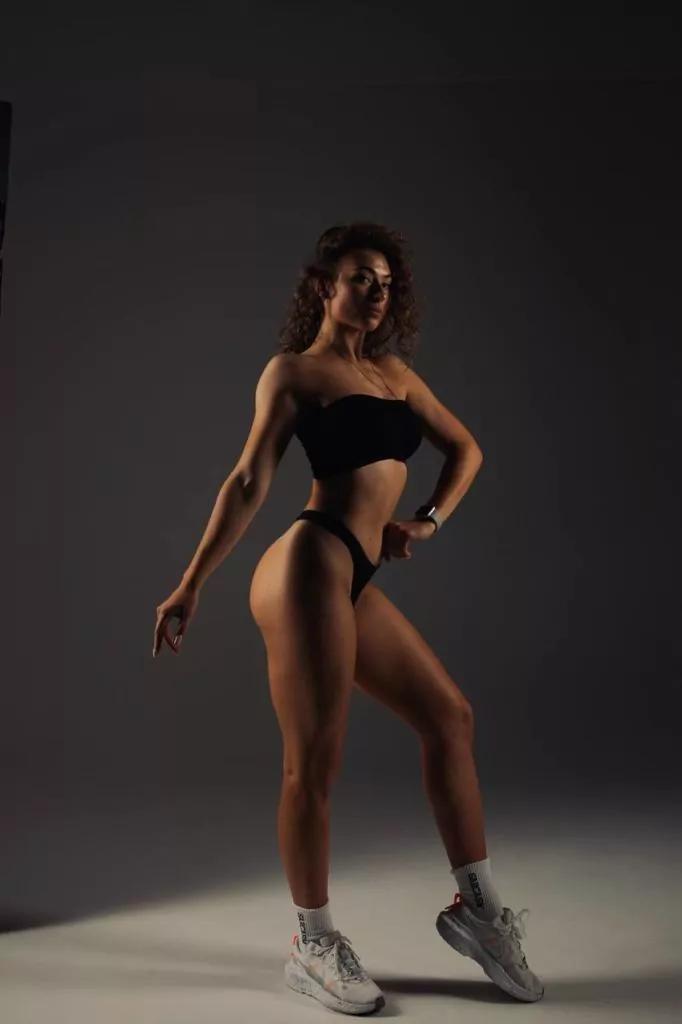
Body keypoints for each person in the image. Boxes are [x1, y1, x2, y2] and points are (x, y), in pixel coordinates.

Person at [152, 222, 544, 1014]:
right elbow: (247, 481)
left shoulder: (395, 375)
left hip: (353, 577)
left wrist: (426, 520)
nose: (376, 292)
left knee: (450, 718)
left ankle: (479, 912)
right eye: (361, 277)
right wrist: (190, 583)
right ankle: (313, 941)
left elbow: (466, 450)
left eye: (387, 283)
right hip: (310, 563)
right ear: (324, 286)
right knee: (314, 765)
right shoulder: (295, 372)